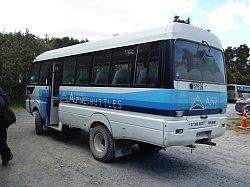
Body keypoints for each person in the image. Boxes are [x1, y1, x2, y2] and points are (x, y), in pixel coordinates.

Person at [0, 87, 13, 166]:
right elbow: (7, 102)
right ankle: (6, 157)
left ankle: (6, 157)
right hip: (1, 119)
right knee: (1, 139)